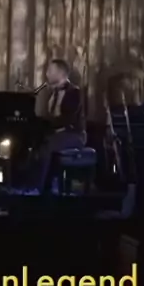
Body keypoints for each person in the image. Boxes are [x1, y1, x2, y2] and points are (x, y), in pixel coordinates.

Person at [26, 59, 86, 194]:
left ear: (61, 73)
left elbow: (68, 119)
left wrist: (46, 124)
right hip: (56, 133)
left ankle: (41, 188)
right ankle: (27, 183)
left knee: (48, 144)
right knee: (32, 143)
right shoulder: (52, 92)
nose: (47, 74)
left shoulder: (74, 92)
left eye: (50, 71)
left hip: (73, 134)